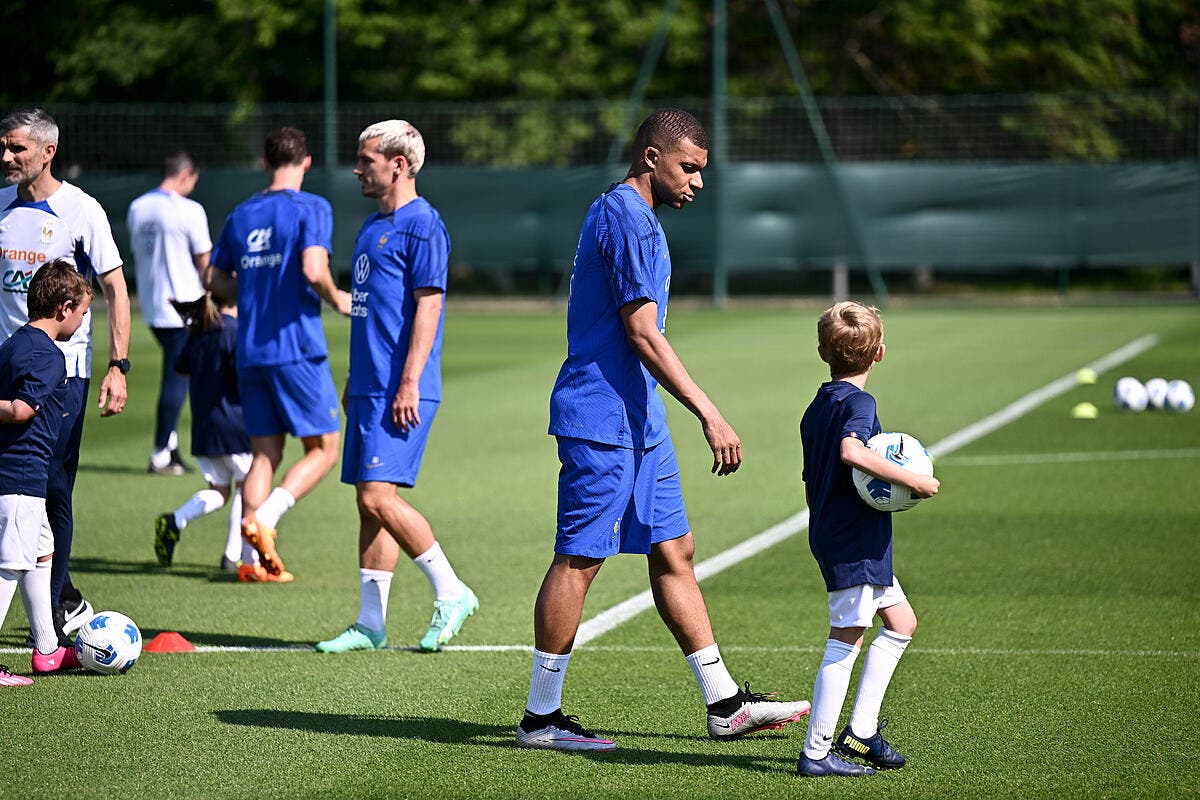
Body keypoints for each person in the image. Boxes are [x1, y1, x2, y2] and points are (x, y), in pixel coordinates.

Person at [515, 108, 810, 752]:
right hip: (600, 417)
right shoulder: (625, 216)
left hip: (641, 420)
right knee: (579, 560)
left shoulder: (640, 219)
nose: (698, 183)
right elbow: (642, 332)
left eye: (702, 170)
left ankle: (724, 703)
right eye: (689, 167)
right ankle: (541, 717)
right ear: (651, 158)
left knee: (674, 552)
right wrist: (710, 412)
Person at [315, 120, 477, 655]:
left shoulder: (424, 224)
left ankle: (451, 591)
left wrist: (408, 380)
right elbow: (370, 316)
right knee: (368, 506)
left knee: (378, 497)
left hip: (401, 389)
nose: (358, 169)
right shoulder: (369, 227)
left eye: (366, 160)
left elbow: (429, 307)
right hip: (367, 386)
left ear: (398, 165)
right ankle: (370, 624)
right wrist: (350, 377)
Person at [0, 107, 131, 640]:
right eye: (3, 147)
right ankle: (63, 595)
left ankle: (54, 607)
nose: (6, 157)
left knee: (49, 489)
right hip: (6, 371)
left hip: (60, 379)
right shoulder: (1, 206)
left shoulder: (82, 210)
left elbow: (117, 289)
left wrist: (118, 366)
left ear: (47, 151)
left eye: (17, 149)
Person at [795, 301, 940, 778]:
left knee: (901, 623)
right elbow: (850, 451)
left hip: (844, 533)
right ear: (880, 353)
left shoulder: (818, 405)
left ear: (822, 352)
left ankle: (861, 731)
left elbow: (813, 475)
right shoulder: (860, 404)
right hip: (853, 539)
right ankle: (816, 753)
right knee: (846, 641)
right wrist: (911, 480)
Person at [206, 126, 351, 581]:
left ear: (266, 163)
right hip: (296, 347)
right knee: (325, 448)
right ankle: (264, 521)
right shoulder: (312, 207)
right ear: (306, 163)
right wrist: (337, 297)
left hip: (251, 349)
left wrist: (247, 289)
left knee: (265, 453)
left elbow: (214, 278)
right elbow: (313, 267)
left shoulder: (242, 212)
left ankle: (252, 565)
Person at [0, 261, 93, 684]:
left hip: (22, 478)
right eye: (83, 313)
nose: (82, 321)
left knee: (42, 551)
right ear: (64, 308)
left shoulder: (13, 344)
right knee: (8, 566)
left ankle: (48, 650)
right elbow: (21, 410)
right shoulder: (51, 357)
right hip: (20, 478)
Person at [153, 293, 269, 579]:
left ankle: (176, 520)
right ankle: (237, 557)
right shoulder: (234, 333)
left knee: (220, 491)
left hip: (205, 428)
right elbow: (245, 378)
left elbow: (180, 366)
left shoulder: (200, 333)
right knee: (245, 488)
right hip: (236, 424)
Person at [127, 150, 213, 476]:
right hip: (185, 307)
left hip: (152, 305)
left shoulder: (137, 207)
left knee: (178, 372)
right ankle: (161, 452)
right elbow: (205, 264)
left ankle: (171, 447)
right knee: (178, 377)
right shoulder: (188, 210)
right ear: (186, 174)